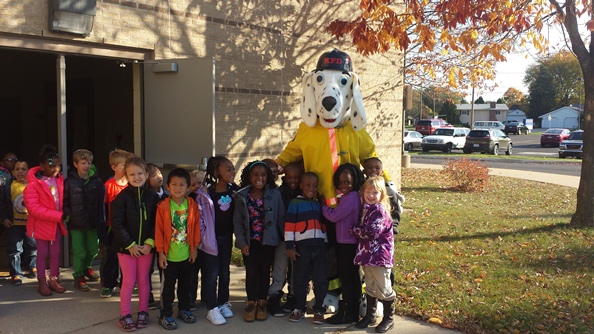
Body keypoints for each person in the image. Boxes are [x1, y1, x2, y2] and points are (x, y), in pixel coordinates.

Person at [110, 156, 160, 332]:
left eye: (140, 173)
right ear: (126, 176)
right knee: (129, 281)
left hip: (147, 248)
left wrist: (150, 242)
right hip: (126, 249)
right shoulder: (121, 198)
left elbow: (158, 222)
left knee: (144, 280)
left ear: (146, 174)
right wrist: (130, 244)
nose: (136, 177)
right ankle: (124, 315)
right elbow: (116, 223)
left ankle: (143, 312)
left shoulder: (153, 197)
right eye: (132, 174)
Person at [233, 160, 285, 322]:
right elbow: (238, 222)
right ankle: (251, 303)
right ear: (249, 176)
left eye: (263, 174)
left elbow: (281, 217)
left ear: (268, 176)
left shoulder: (275, 194)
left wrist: (287, 240)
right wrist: (242, 243)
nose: (259, 178)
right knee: (251, 273)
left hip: (268, 242)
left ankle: (262, 302)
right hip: (250, 243)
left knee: (264, 272)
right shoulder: (242, 196)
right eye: (255, 174)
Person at [155, 168, 201, 330]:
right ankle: (166, 314)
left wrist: (194, 248)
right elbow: (159, 231)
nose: (178, 188)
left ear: (188, 187)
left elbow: (195, 228)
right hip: (169, 257)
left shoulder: (192, 205)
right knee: (168, 289)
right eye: (174, 184)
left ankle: (184, 309)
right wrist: (160, 253)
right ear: (168, 187)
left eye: (182, 185)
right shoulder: (163, 207)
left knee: (185, 286)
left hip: (186, 255)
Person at [350, 176, 396, 333]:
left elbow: (371, 233)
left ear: (382, 194)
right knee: (370, 285)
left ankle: (389, 318)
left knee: (383, 287)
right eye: (367, 192)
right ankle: (370, 315)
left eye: (375, 192)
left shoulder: (379, 211)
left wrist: (353, 230)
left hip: (379, 257)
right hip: (367, 256)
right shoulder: (367, 208)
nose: (370, 195)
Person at [322, 163, 365, 324]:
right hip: (346, 241)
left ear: (354, 181)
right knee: (351, 277)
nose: (343, 185)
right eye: (340, 182)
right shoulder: (350, 196)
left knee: (347, 277)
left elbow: (334, 216)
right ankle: (352, 310)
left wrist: (324, 207)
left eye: (347, 182)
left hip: (348, 243)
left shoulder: (352, 197)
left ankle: (348, 310)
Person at [284, 172, 328, 324]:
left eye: (315, 186)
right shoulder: (294, 203)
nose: (311, 188)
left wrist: (326, 243)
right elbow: (289, 227)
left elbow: (324, 225)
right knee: (300, 280)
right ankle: (299, 308)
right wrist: (289, 246)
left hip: (320, 248)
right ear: (301, 186)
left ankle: (319, 309)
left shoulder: (318, 204)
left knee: (321, 279)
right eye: (308, 185)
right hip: (301, 248)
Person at [24, 144, 67, 296]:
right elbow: (34, 208)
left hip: (55, 224)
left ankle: (54, 279)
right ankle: (42, 280)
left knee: (55, 253)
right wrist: (58, 215)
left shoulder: (60, 181)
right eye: (51, 166)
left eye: (58, 166)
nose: (56, 169)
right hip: (41, 225)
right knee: (42, 254)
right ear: (42, 166)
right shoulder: (33, 185)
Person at [63, 149, 106, 291]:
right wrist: (68, 215)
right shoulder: (69, 182)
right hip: (76, 222)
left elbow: (101, 202)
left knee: (94, 248)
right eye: (83, 163)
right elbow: (65, 201)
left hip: (93, 222)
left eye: (89, 163)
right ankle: (78, 276)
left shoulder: (97, 182)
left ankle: (87, 267)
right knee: (79, 251)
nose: (87, 166)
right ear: (75, 164)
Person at [204, 156, 238, 320]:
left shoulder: (234, 190)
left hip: (226, 238)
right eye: (228, 169)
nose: (232, 171)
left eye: (232, 168)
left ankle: (223, 302)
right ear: (217, 172)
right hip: (211, 239)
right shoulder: (207, 193)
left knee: (225, 272)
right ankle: (212, 307)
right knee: (212, 273)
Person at [267, 161, 303, 316]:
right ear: (284, 177)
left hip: (300, 239)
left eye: (296, 177)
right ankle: (274, 296)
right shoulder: (279, 192)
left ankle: (293, 296)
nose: (292, 181)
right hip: (283, 239)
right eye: (289, 177)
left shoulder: (305, 192)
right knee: (279, 268)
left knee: (297, 270)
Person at [100, 149, 134, 298]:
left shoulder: (131, 185)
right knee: (110, 257)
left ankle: (127, 283)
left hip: (129, 228)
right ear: (114, 167)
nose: (127, 169)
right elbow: (102, 208)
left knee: (128, 258)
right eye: (124, 165)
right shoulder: (108, 185)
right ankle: (108, 284)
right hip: (112, 228)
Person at [192, 173, 225, 325]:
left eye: (199, 183)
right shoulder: (190, 200)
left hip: (208, 242)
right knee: (193, 272)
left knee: (209, 273)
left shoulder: (207, 198)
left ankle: (207, 298)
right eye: (193, 185)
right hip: (194, 243)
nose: (196, 187)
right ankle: (191, 299)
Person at [3, 159, 37, 285]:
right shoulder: (9, 187)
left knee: (33, 246)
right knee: (15, 250)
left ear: (28, 171)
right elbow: (3, 204)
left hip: (31, 223)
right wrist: (5, 218)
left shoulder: (33, 185)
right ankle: (16, 274)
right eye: (17, 169)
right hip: (14, 225)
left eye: (23, 169)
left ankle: (33, 266)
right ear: (13, 172)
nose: (20, 172)